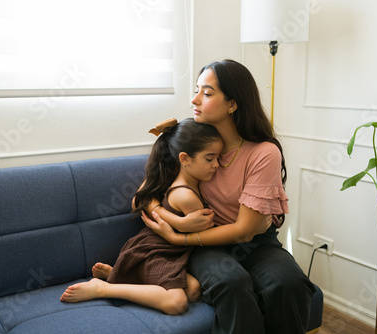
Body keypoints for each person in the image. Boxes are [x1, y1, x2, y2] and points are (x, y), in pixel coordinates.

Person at [141, 59, 316, 333]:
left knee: (289, 283)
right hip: (207, 247)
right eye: (197, 90)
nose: (194, 99)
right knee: (231, 282)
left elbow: (246, 232)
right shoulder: (193, 145)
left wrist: (179, 236)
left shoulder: (263, 152)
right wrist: (175, 221)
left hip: (257, 245)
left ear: (232, 104)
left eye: (207, 93)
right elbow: (147, 196)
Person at [60, 118, 224, 315]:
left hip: (171, 252)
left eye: (218, 158)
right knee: (177, 303)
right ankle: (103, 288)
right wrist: (180, 222)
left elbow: (144, 200)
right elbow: (139, 200)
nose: (217, 165)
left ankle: (121, 274)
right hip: (155, 251)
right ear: (185, 159)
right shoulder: (186, 195)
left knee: (195, 290)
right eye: (210, 159)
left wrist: (176, 223)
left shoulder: (176, 175)